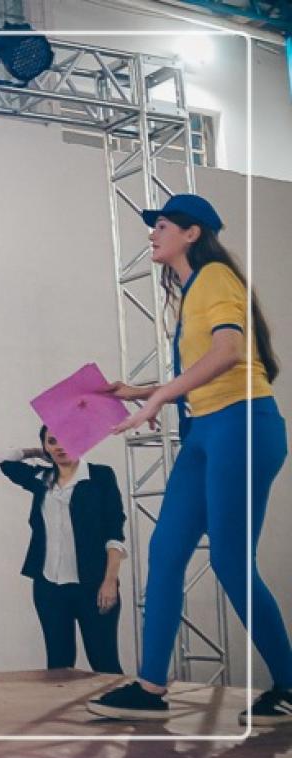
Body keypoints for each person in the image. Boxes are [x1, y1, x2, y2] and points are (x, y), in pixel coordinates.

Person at [87, 194, 290, 726]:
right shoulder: (191, 291)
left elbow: (229, 352)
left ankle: (289, 684)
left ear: (192, 233)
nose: (152, 234)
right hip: (206, 431)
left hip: (243, 426)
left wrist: (157, 397)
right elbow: (202, 371)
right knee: (166, 549)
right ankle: (151, 687)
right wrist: (139, 390)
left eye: (162, 225)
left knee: (230, 561)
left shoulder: (216, 278)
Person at [0, 425, 127, 674]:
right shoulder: (41, 478)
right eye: (53, 441)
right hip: (49, 586)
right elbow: (2, 458)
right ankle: (63, 704)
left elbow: (114, 532)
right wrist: (37, 452)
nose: (60, 446)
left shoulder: (100, 476)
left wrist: (110, 581)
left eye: (67, 439)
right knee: (58, 664)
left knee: (104, 661)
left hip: (93, 585)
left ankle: (118, 700)